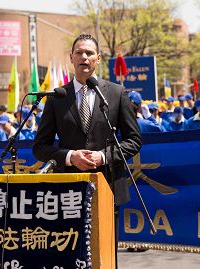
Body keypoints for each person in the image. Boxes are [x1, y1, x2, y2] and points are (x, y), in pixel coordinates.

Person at [33, 34, 142, 266]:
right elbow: (40, 147)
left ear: (98, 58)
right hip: (67, 189)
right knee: (70, 254)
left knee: (105, 255)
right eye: (79, 52)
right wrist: (70, 157)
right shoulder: (56, 98)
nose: (84, 57)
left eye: (89, 53)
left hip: (108, 185)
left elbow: (133, 140)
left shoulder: (115, 93)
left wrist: (103, 156)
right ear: (71, 58)